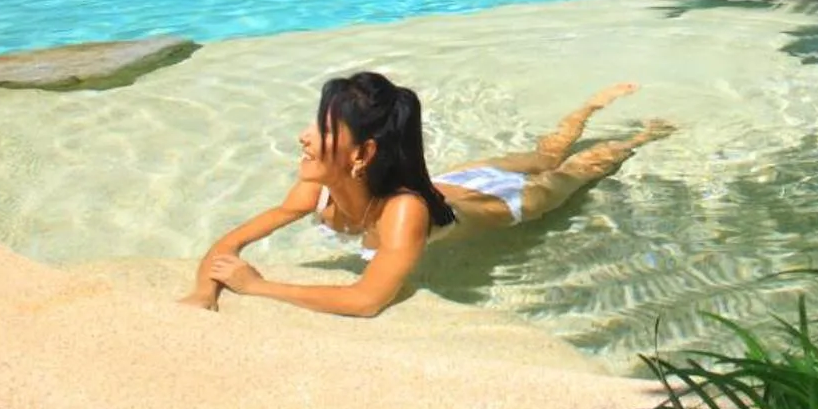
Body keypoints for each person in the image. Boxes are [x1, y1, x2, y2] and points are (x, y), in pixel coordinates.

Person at [180, 72, 670, 318]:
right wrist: (205, 291)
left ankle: (638, 134)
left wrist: (257, 287)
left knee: (576, 169)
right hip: (459, 180)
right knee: (544, 153)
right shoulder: (315, 187)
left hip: (501, 205)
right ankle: (590, 111)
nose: (304, 138)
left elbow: (367, 299)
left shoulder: (403, 214)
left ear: (362, 154)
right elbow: (231, 243)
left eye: (323, 130)